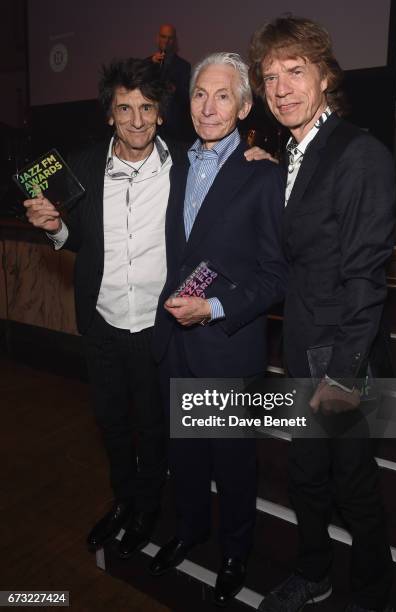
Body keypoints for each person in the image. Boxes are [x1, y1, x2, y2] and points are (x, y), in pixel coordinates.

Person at [248, 17, 396, 612]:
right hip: (305, 348)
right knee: (307, 474)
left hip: (343, 357)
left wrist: (341, 375)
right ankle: (315, 573)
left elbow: (366, 279)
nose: (280, 88)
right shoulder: (293, 154)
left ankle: (373, 592)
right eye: (269, 77)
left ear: (324, 75)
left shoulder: (357, 153)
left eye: (294, 71)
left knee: (353, 484)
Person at [23, 58, 181, 560]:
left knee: (154, 425)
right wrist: (52, 226)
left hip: (157, 325)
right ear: (109, 115)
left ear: (160, 114)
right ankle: (125, 501)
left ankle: (149, 506)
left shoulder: (185, 165)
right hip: (102, 321)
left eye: (146, 108)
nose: (136, 119)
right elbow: (80, 243)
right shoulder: (84, 167)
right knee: (112, 423)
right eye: (125, 108)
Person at [150, 52, 287, 606]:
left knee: (232, 461)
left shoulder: (263, 175)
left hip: (226, 345)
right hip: (173, 344)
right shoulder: (174, 165)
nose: (208, 107)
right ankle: (189, 529)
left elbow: (278, 276)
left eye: (223, 95)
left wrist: (218, 308)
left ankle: (235, 550)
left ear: (245, 105)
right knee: (183, 454)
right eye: (199, 94)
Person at [148, 23, 193, 141]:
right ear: (157, 39)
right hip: (150, 125)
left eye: (170, 38)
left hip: (174, 129)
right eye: (163, 37)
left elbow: (188, 98)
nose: (166, 41)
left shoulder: (184, 66)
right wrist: (150, 63)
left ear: (174, 41)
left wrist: (175, 89)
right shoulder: (148, 64)